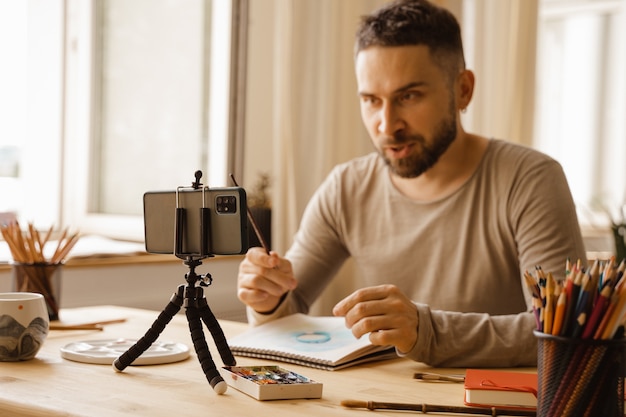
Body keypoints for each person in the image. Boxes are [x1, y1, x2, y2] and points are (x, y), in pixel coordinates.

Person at [237, 0, 586, 367]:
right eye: (371, 100)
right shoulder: (346, 188)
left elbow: (564, 332)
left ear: (463, 90)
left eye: (409, 96)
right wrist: (267, 297)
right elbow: (285, 316)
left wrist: (428, 332)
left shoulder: (530, 179)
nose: (387, 125)